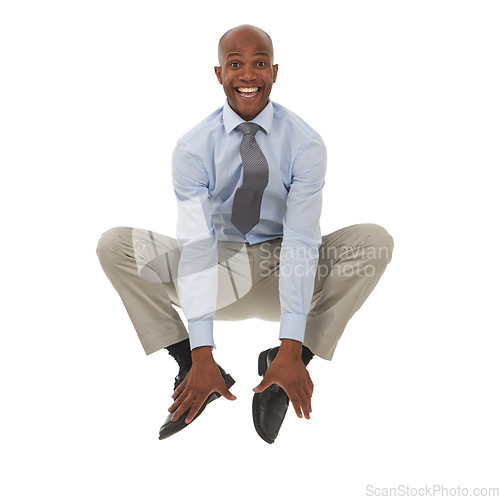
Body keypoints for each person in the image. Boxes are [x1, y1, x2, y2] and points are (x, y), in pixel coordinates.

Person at [96, 24, 394, 444]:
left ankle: (290, 364)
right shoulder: (193, 148)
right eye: (235, 64)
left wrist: (291, 344)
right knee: (116, 245)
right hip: (219, 272)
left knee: (374, 240)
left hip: (283, 272)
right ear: (219, 73)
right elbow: (197, 246)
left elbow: (302, 241)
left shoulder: (305, 143)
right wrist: (201, 352)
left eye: (258, 64)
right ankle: (189, 365)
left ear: (274, 71)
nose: (248, 74)